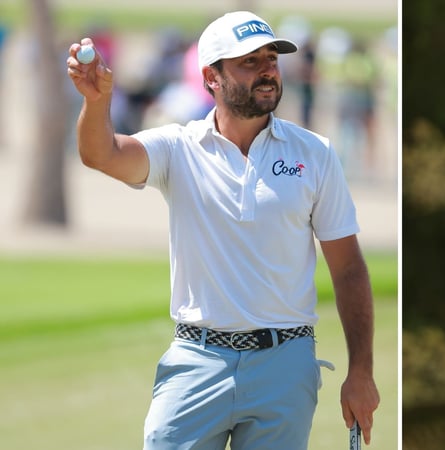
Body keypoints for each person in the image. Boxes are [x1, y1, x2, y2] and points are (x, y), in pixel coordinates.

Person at [66, 10, 379, 450]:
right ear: (211, 76)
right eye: (249, 62)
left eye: (271, 58)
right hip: (196, 360)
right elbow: (102, 154)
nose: (268, 70)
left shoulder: (316, 153)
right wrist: (96, 102)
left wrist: (361, 372)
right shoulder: (178, 147)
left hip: (285, 365)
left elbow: (348, 269)